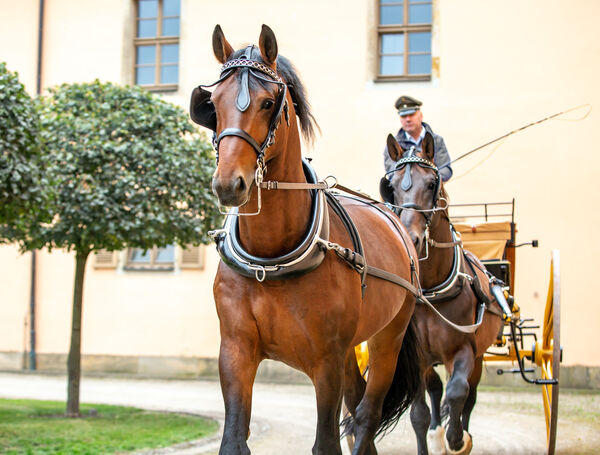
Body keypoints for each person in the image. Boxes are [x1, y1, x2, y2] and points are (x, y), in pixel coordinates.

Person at [383, 95, 453, 181]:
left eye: (411, 114)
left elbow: (446, 170)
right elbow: (392, 172)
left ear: (421, 116)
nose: (408, 119)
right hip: (404, 192)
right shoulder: (394, 144)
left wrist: (429, 180)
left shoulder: (437, 140)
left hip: (431, 190)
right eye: (403, 116)